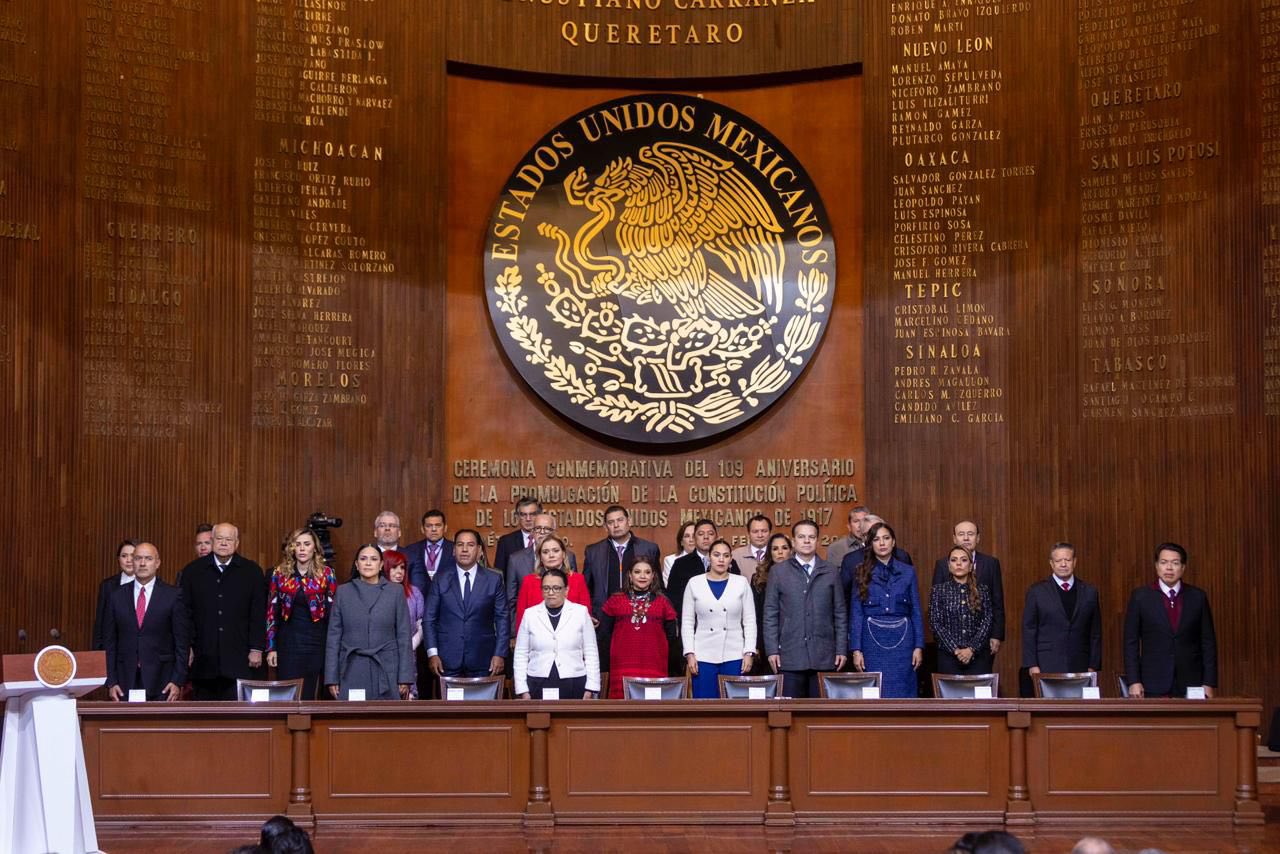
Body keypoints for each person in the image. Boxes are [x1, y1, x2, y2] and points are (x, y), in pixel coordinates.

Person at [181, 522, 267, 700]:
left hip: (240, 658)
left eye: (229, 539)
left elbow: (258, 613)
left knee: (237, 712)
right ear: (212, 541)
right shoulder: (192, 571)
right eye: (219, 538)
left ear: (237, 543)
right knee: (205, 712)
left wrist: (256, 648)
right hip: (203, 658)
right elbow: (185, 613)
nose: (224, 543)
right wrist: (187, 645)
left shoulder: (252, 572)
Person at [763, 520, 848, 697]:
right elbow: (770, 614)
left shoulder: (831, 571)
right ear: (793, 542)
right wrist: (772, 650)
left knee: (819, 711)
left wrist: (841, 648)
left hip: (824, 654)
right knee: (789, 710)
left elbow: (840, 613)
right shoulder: (778, 572)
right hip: (790, 654)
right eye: (802, 537)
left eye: (811, 537)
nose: (807, 541)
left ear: (817, 540)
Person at [1124, 542, 1217, 698]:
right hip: (1152, 681)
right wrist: (1134, 681)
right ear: (1156, 566)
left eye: (1175, 563)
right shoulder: (1141, 597)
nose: (1169, 568)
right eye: (1164, 562)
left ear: (1183, 567)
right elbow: (1130, 642)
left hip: (1191, 682)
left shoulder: (1197, 597)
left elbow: (1208, 642)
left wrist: (1209, 682)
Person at [324, 544, 414, 700]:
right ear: (356, 564)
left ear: (381, 565)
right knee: (353, 715)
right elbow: (333, 638)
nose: (368, 563)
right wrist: (332, 678)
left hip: (387, 668)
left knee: (386, 715)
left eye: (373, 559)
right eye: (363, 559)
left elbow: (404, 637)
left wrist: (404, 677)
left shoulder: (395, 592)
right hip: (351, 668)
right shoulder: (343, 592)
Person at [103, 543, 190, 702]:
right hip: (124, 680)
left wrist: (177, 681)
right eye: (138, 558)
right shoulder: (116, 596)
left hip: (163, 680)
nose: (142, 563)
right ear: (133, 562)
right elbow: (110, 642)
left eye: (148, 559)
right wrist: (111, 681)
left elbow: (182, 644)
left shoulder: (173, 595)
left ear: (157, 563)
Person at [849, 522, 924, 697]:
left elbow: (916, 611)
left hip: (903, 641)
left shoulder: (908, 572)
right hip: (871, 642)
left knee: (903, 690)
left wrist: (918, 646)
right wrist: (856, 649)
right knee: (875, 691)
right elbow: (856, 613)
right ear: (870, 544)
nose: (882, 543)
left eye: (886, 538)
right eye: (876, 539)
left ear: (893, 542)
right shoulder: (861, 571)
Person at [584, 505, 661, 676]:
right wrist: (589, 613)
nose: (616, 525)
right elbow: (586, 587)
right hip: (603, 620)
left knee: (636, 668)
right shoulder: (593, 551)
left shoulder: (649, 548)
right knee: (605, 670)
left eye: (620, 520)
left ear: (629, 521)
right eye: (611, 522)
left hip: (639, 619)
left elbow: (658, 587)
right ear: (606, 526)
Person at [425, 529, 510, 678]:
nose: (464, 549)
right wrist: (432, 653)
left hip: (484, 658)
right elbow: (429, 619)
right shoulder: (440, 579)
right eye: (460, 545)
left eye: (470, 545)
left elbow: (502, 618)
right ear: (454, 550)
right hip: (446, 660)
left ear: (479, 550)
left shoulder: (493, 579)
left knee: (482, 695)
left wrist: (500, 654)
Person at [265, 528, 337, 700]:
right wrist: (271, 647)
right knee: (288, 694)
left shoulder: (327, 574)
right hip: (288, 643)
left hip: (316, 643)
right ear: (292, 548)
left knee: (310, 694)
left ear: (315, 548)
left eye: (307, 544)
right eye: (298, 544)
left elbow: (333, 614)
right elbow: (272, 612)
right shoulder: (279, 573)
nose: (302, 548)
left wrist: (333, 650)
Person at [1021, 542, 1101, 696]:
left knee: (1079, 709)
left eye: (1067, 560)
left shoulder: (1090, 592)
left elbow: (1095, 632)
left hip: (1081, 664)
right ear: (1051, 563)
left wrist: (1093, 665)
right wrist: (1032, 664)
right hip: (1046, 663)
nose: (1063, 564)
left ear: (1074, 562)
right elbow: (1029, 630)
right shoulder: (1037, 592)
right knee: (1050, 709)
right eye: (1058, 560)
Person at [682, 539, 756, 698]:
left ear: (731, 559)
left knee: (734, 704)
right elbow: (687, 622)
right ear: (709, 557)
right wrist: (690, 653)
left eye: (726, 555)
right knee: (705, 704)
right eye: (716, 555)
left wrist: (749, 652)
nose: (721, 559)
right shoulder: (694, 583)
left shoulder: (741, 583)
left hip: (734, 654)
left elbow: (750, 620)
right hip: (703, 655)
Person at [514, 567, 600, 699]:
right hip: (537, 682)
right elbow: (520, 654)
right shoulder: (530, 614)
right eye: (546, 588)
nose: (551, 592)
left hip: (574, 682)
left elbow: (591, 652)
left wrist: (591, 688)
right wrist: (522, 690)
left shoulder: (580, 613)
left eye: (556, 588)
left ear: (566, 590)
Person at [600, 558, 678, 697]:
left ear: (653, 576)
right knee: (621, 708)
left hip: (654, 667)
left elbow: (671, 638)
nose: (643, 576)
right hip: (621, 668)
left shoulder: (664, 603)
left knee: (652, 708)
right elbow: (605, 636)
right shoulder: (614, 601)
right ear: (630, 575)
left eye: (647, 572)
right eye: (637, 572)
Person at [931, 521, 1005, 661]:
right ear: (954, 538)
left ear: (978, 538)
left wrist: (996, 635)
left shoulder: (991, 563)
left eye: (970, 534)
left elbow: (997, 602)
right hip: (950, 644)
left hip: (983, 640)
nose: (966, 538)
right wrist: (952, 646)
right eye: (961, 534)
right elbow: (936, 607)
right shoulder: (942, 564)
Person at [930, 545, 995, 676]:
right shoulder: (939, 591)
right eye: (954, 560)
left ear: (971, 566)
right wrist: (955, 650)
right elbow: (935, 623)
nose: (958, 563)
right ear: (949, 566)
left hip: (978, 657)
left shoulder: (982, 590)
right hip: (949, 657)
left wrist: (971, 649)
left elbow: (987, 621)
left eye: (964, 560)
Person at [507, 512, 578, 626]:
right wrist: (516, 631)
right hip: (531, 625)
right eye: (538, 528)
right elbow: (511, 600)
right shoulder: (515, 559)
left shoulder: (569, 556)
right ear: (532, 532)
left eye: (547, 529)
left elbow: (575, 592)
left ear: (554, 532)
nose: (542, 532)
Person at [515, 535, 590, 633]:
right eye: (545, 552)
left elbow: (585, 617)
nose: (551, 555)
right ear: (540, 557)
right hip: (537, 638)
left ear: (563, 554)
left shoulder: (578, 579)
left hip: (571, 637)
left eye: (556, 551)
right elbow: (521, 619)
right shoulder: (528, 581)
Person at [838, 514, 914, 602]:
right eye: (872, 534)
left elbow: (911, 594)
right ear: (863, 538)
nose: (881, 542)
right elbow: (844, 597)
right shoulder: (851, 561)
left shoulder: (902, 556)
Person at [381, 549, 424, 698]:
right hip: (382, 654)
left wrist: (412, 644)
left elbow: (421, 623)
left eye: (402, 567)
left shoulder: (414, 593)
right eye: (394, 567)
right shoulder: (376, 593)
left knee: (407, 696)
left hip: (408, 654)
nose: (399, 572)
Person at [749, 533, 791, 673]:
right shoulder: (758, 578)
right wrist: (755, 644)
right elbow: (754, 613)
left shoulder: (801, 576)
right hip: (765, 640)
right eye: (775, 549)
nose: (780, 552)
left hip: (792, 640)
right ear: (769, 553)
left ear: (791, 551)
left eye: (784, 548)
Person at [93, 539, 138, 651]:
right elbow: (100, 622)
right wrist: (97, 651)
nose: (128, 560)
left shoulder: (149, 585)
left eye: (133, 556)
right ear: (118, 559)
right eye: (124, 556)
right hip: (113, 649)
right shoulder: (107, 586)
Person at [403, 509, 453, 601]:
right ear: (422, 529)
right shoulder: (411, 549)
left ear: (445, 528)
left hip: (447, 602)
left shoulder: (454, 549)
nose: (433, 529)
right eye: (429, 526)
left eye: (438, 525)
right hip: (418, 601)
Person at [494, 496, 542, 576]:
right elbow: (499, 575)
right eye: (523, 515)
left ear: (539, 515)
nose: (528, 519)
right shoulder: (506, 542)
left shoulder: (547, 540)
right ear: (518, 516)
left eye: (532, 514)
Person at [661, 521, 696, 586]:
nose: (691, 540)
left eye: (694, 536)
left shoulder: (707, 559)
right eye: (687, 536)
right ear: (681, 542)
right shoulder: (670, 560)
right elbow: (669, 586)